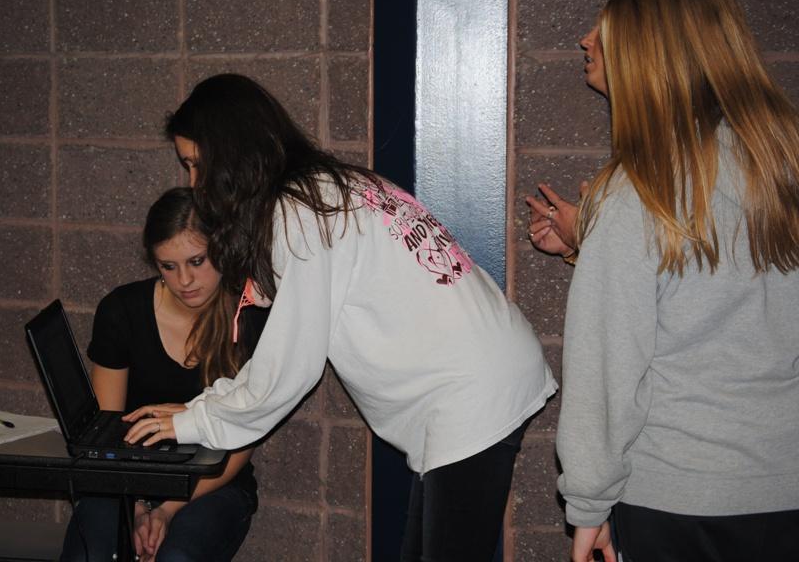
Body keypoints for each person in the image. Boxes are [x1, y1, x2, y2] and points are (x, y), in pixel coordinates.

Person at [122, 73, 558, 560]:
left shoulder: (302, 215)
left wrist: (195, 420)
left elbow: (290, 369)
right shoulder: (326, 188)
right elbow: (275, 333)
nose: (195, 185)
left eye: (198, 166)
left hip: (472, 394)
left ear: (235, 155)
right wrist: (205, 407)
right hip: (477, 382)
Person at [537, 0, 799, 561]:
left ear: (652, 55)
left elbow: (608, 368)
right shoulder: (783, 169)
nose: (584, 40)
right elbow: (724, 297)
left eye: (606, 32)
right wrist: (593, 245)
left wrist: (587, 505)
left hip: (678, 498)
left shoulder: (637, 192)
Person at [61, 187, 267, 562]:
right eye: (168, 267)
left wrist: (168, 509)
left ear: (222, 248)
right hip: (124, 480)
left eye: (197, 261)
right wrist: (137, 505)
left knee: (177, 557)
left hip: (214, 483)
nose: (185, 280)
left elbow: (242, 438)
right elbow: (109, 431)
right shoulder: (122, 311)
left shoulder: (249, 314)